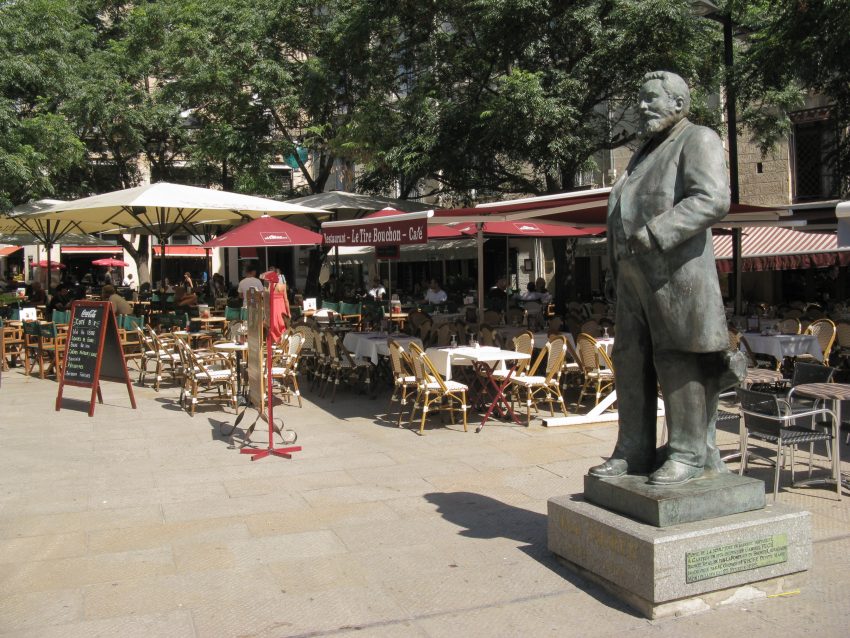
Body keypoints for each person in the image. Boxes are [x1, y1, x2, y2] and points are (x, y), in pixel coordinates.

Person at [588, 71, 745, 486]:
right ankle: (633, 450)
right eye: (638, 99)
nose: (640, 107)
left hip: (678, 276)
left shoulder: (698, 139)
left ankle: (689, 454)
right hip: (634, 279)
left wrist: (657, 232)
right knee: (630, 360)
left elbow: (712, 199)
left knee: (680, 359)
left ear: (679, 104)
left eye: (650, 98)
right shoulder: (643, 153)